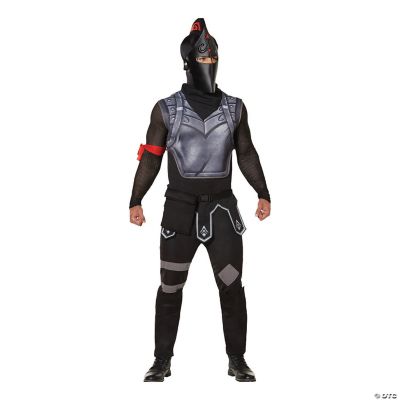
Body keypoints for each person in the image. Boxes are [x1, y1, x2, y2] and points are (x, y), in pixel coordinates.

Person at [129, 18, 271, 382]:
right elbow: (152, 157)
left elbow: (246, 153)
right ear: (188, 62)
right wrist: (135, 199)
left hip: (223, 213)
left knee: (231, 287)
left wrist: (263, 192)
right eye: (203, 58)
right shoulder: (166, 109)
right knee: (170, 288)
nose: (209, 63)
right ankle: (162, 360)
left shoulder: (235, 108)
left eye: (213, 58)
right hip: (179, 213)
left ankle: (237, 359)